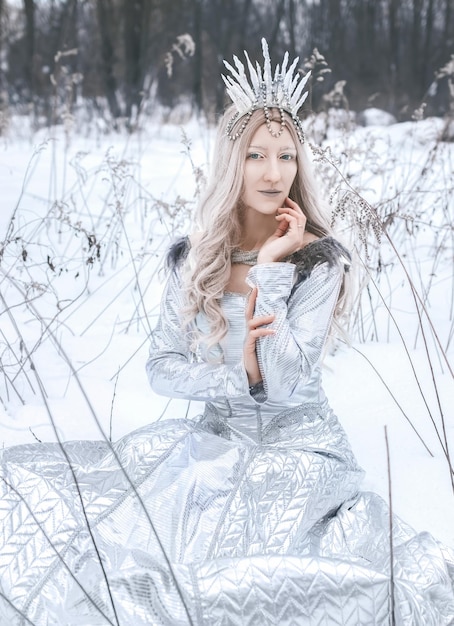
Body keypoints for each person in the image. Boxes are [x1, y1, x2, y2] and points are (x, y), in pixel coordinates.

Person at [0, 39, 453, 626]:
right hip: (213, 439)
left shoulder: (319, 260)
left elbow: (288, 384)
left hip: (301, 448)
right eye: (257, 156)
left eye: (287, 156)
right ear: (230, 162)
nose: (274, 173)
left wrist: (270, 273)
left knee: (250, 562)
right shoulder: (193, 257)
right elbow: (160, 367)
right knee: (61, 499)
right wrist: (235, 373)